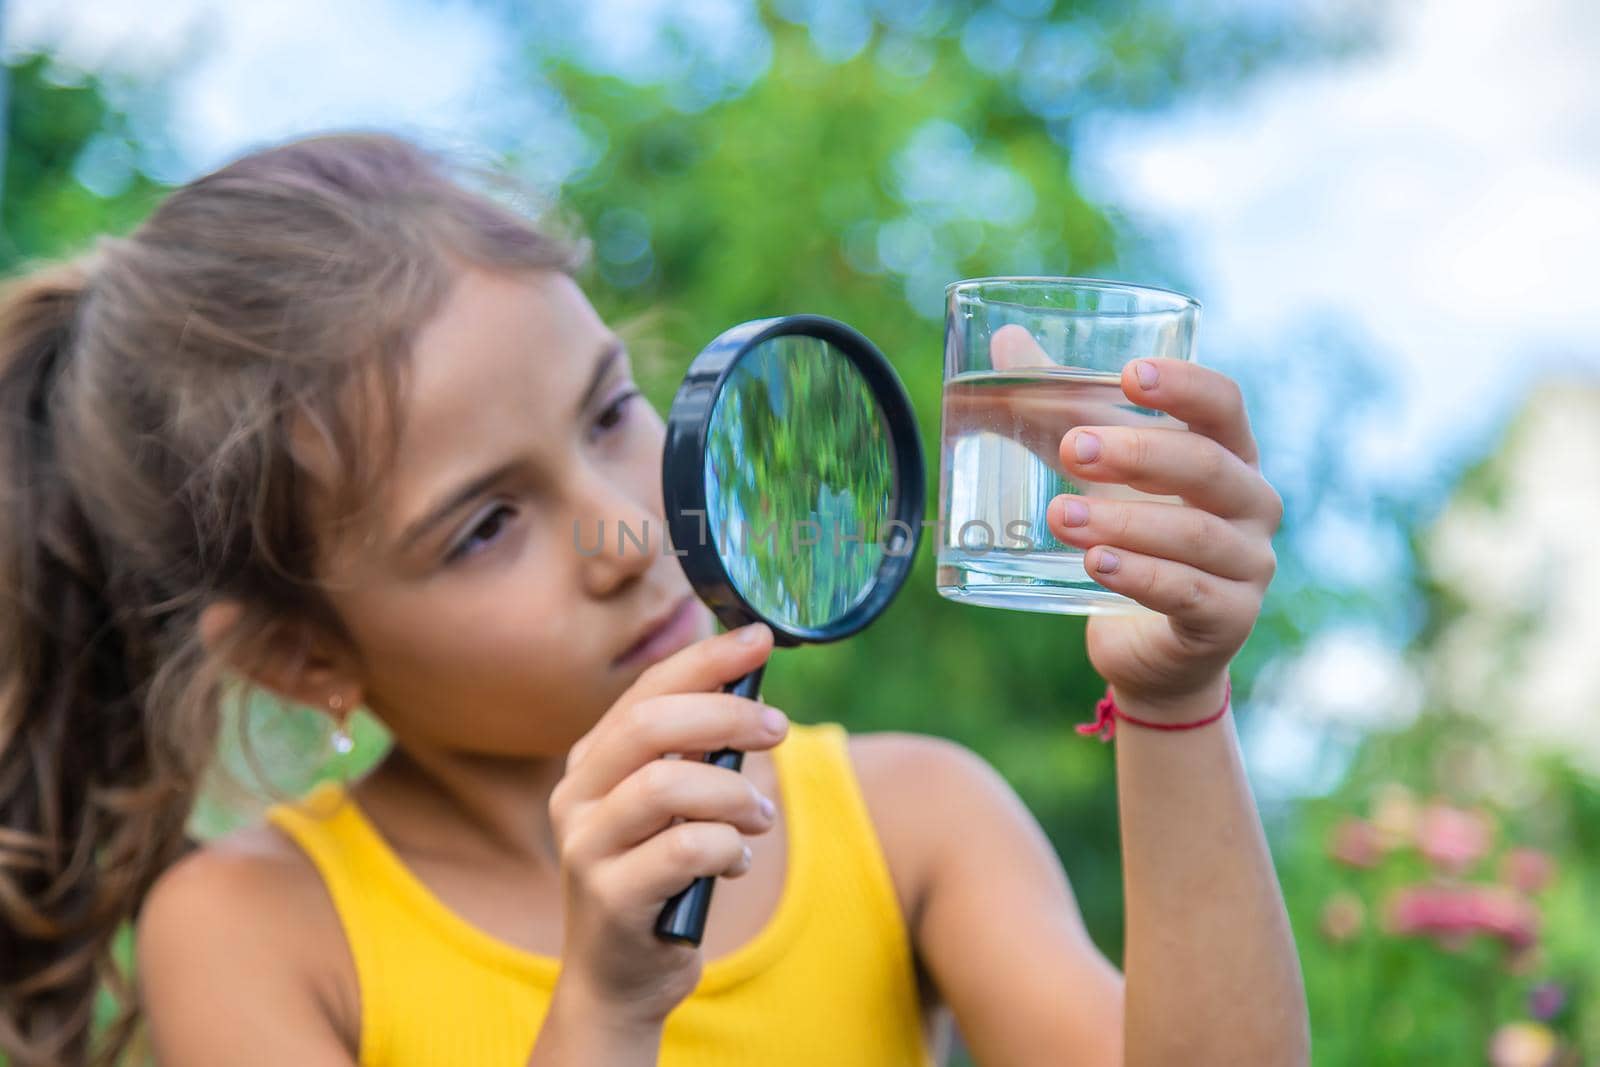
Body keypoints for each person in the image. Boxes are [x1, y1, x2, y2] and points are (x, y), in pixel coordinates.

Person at [0, 131, 1307, 1067]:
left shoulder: (913, 820)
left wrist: (1177, 704)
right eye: (487, 524)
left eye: (612, 411)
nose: (626, 531)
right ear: (299, 660)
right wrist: (606, 1014)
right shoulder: (253, 930)